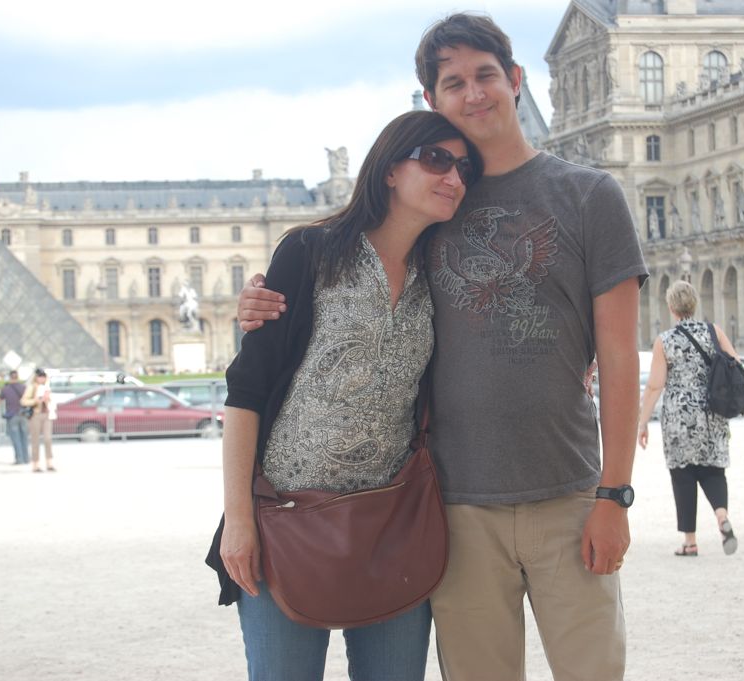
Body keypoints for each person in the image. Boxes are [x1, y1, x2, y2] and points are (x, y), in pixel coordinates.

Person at [235, 13, 647, 681]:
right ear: (432, 100)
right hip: (453, 509)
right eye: (453, 82)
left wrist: (615, 494)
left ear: (515, 80)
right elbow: (354, 264)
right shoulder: (436, 207)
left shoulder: (590, 195)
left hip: (569, 495)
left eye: (485, 75)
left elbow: (622, 355)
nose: (473, 93)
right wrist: (263, 301)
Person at [207, 110, 481, 681]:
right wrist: (239, 519)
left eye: (464, 167)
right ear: (388, 168)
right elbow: (247, 391)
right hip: (283, 521)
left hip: (394, 526)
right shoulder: (309, 252)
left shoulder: (443, 273)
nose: (454, 176)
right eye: (436, 159)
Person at [637, 281, 738, 557]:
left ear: (671, 308)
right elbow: (735, 363)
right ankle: (721, 516)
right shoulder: (714, 332)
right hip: (712, 413)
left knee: (683, 475)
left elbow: (655, 385)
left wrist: (642, 422)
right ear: (694, 304)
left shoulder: (666, 341)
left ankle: (690, 541)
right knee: (713, 470)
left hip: (679, 417)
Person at [21, 368, 56, 472]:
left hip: (47, 414)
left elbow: (52, 401)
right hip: (36, 414)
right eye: (40, 377)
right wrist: (35, 401)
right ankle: (35, 464)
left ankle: (49, 462)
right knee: (35, 440)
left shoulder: (47, 387)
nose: (42, 379)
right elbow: (23, 401)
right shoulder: (32, 387)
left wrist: (48, 398)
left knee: (47, 439)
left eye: (43, 377)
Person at [0, 370, 30, 466]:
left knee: (15, 438)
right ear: (17, 377)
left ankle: (19, 458)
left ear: (10, 377)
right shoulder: (23, 388)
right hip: (23, 415)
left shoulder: (5, 389)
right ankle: (26, 458)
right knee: (24, 437)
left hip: (12, 416)